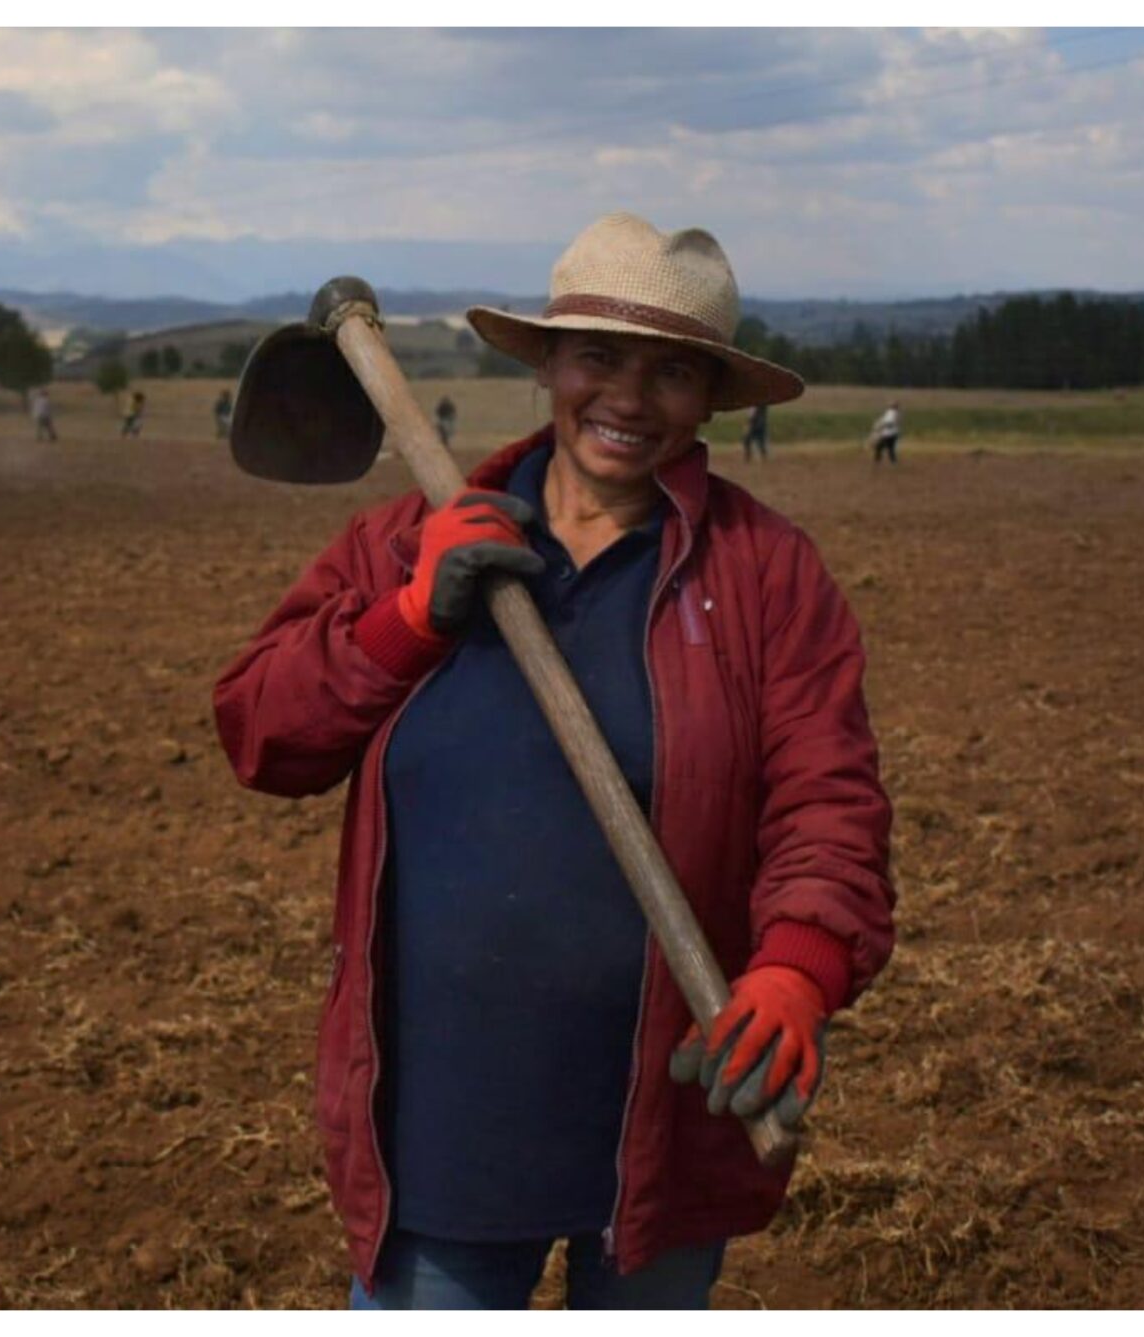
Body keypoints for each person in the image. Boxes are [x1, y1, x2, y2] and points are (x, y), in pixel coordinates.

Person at [215, 212, 894, 1310]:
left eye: (671, 372)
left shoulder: (765, 574)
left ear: (711, 397)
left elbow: (829, 796)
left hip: (666, 1117)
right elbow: (261, 733)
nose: (627, 398)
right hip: (442, 1124)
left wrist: (798, 965)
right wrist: (404, 618)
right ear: (547, 365)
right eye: (598, 358)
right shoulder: (404, 542)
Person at [868, 401, 901, 465]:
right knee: (890, 448)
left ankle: (877, 461)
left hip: (889, 434)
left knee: (880, 447)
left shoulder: (892, 413)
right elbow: (887, 421)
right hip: (893, 434)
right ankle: (893, 462)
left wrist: (881, 426)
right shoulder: (894, 413)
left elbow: (889, 423)